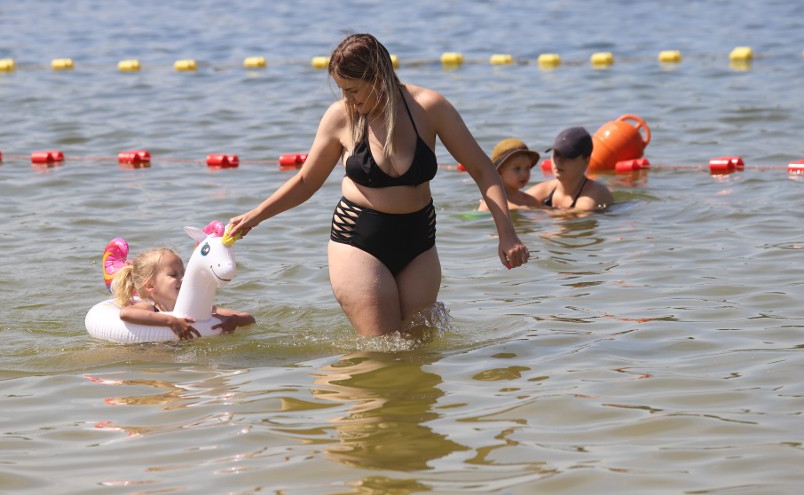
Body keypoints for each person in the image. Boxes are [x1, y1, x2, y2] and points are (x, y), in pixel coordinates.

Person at [226, 33, 530, 337]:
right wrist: (256, 215)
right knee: (383, 349)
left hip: (419, 239)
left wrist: (507, 234)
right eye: (343, 90)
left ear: (378, 78)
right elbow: (306, 181)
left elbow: (482, 169)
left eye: (353, 90)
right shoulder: (340, 118)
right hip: (359, 238)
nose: (348, 100)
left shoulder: (430, 108)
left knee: (418, 348)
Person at [110, 247, 255, 340]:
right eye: (174, 275)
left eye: (183, 273)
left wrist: (234, 320)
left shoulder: (200, 308)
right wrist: (171, 321)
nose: (183, 279)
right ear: (150, 286)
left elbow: (249, 318)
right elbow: (125, 314)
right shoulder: (150, 309)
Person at [525, 126, 614, 210]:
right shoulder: (547, 189)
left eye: (567, 155)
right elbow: (513, 201)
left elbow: (578, 216)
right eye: (556, 154)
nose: (558, 161)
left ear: (586, 161)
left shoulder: (595, 193)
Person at [478, 138, 541, 211]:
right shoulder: (492, 200)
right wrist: (519, 209)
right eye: (517, 169)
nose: (524, 174)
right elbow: (488, 206)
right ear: (500, 171)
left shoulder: (531, 201)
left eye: (527, 168)